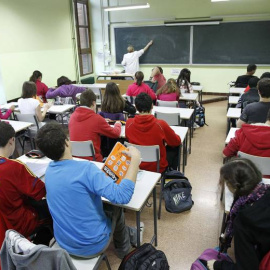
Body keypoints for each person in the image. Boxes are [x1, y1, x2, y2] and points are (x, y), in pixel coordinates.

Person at [36, 122, 142, 259]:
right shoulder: (86, 169)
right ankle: (124, 251)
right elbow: (123, 196)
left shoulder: (49, 170)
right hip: (92, 246)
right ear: (67, 142)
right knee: (116, 208)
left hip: (64, 243)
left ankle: (129, 234)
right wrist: (135, 161)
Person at [207, 158, 270, 270]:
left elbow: (247, 268)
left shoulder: (244, 219)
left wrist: (217, 265)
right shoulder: (266, 191)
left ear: (234, 187)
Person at [0, 122, 51, 247]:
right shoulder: (14, 167)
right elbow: (41, 191)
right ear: (12, 140)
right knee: (51, 209)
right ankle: (37, 251)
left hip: (3, 223)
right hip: (17, 224)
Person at [125, 92, 181, 173]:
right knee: (176, 146)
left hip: (135, 165)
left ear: (136, 107)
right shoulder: (161, 125)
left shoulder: (129, 123)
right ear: (152, 105)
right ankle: (171, 176)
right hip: (157, 167)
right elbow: (176, 141)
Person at [69, 89, 122, 161]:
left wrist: (102, 121)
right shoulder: (97, 119)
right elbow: (116, 134)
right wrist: (118, 124)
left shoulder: (72, 116)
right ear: (94, 103)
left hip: (75, 159)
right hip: (93, 160)